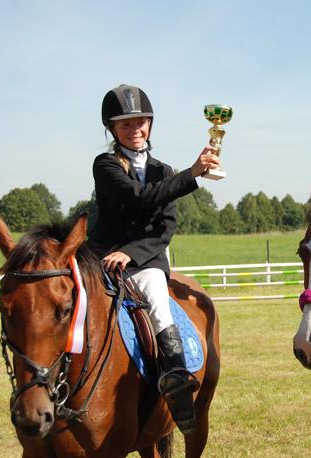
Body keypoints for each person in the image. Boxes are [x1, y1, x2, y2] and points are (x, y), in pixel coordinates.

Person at [91, 84, 220, 434]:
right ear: (112, 129)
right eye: (126, 124)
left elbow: (166, 227)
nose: (135, 129)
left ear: (150, 124)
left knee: (158, 303)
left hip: (145, 261)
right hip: (104, 257)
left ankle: (177, 383)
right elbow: (138, 197)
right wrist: (192, 174)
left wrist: (131, 253)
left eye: (141, 122)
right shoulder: (105, 165)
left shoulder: (164, 171)